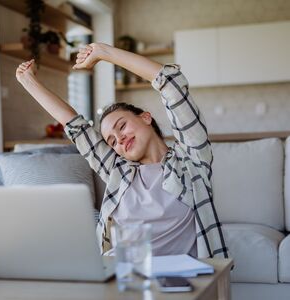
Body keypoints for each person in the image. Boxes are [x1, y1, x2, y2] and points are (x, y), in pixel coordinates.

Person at [16, 43, 229, 258]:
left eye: (122, 126)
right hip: (120, 276)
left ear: (146, 117)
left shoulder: (191, 161)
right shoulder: (118, 170)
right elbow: (75, 126)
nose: (119, 139)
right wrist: (29, 81)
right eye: (111, 141)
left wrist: (104, 53)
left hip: (178, 282)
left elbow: (171, 83)